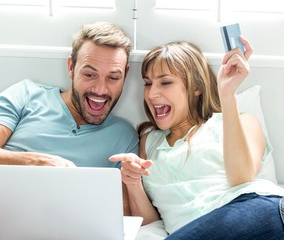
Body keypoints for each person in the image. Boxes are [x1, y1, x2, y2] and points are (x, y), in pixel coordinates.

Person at [0, 21, 139, 239]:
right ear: (71, 67)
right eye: (89, 74)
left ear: (125, 75)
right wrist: (39, 163)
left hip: (48, 225)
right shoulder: (27, 94)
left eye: (113, 77)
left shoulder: (124, 136)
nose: (100, 89)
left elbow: (121, 215)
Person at [110, 38, 284, 239]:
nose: (151, 94)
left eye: (165, 82)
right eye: (148, 84)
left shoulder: (240, 121)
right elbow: (151, 224)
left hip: (260, 212)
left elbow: (242, 180)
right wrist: (133, 183)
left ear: (196, 88)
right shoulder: (149, 142)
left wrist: (227, 95)